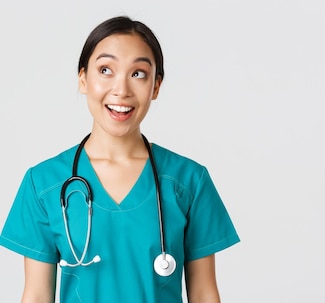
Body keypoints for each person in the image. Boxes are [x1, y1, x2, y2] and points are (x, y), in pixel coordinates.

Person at [0, 16, 240, 302]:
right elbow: (37, 296)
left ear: (156, 87)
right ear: (83, 79)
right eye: (105, 70)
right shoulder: (43, 184)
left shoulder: (189, 181)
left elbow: (204, 293)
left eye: (138, 74)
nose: (122, 89)